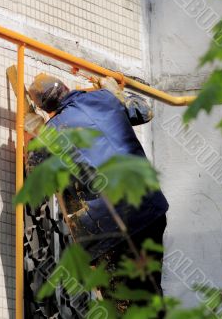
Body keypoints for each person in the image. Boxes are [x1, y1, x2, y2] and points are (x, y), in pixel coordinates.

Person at [26, 73, 169, 302]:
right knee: (149, 291)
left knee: (124, 304)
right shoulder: (104, 99)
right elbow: (145, 110)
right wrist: (116, 92)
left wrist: (34, 131)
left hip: (112, 232)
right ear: (66, 87)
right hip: (149, 212)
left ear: (43, 107)